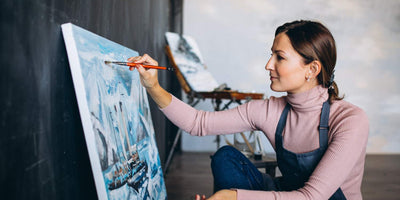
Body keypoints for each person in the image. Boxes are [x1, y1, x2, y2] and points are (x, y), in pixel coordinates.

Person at [128, 20, 369, 200]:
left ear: (312, 69)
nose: (268, 65)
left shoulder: (350, 120)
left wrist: (232, 196)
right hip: (289, 193)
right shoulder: (269, 110)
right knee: (225, 158)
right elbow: (198, 123)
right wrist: (152, 85)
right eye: (270, 55)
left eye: (279, 57)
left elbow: (311, 197)